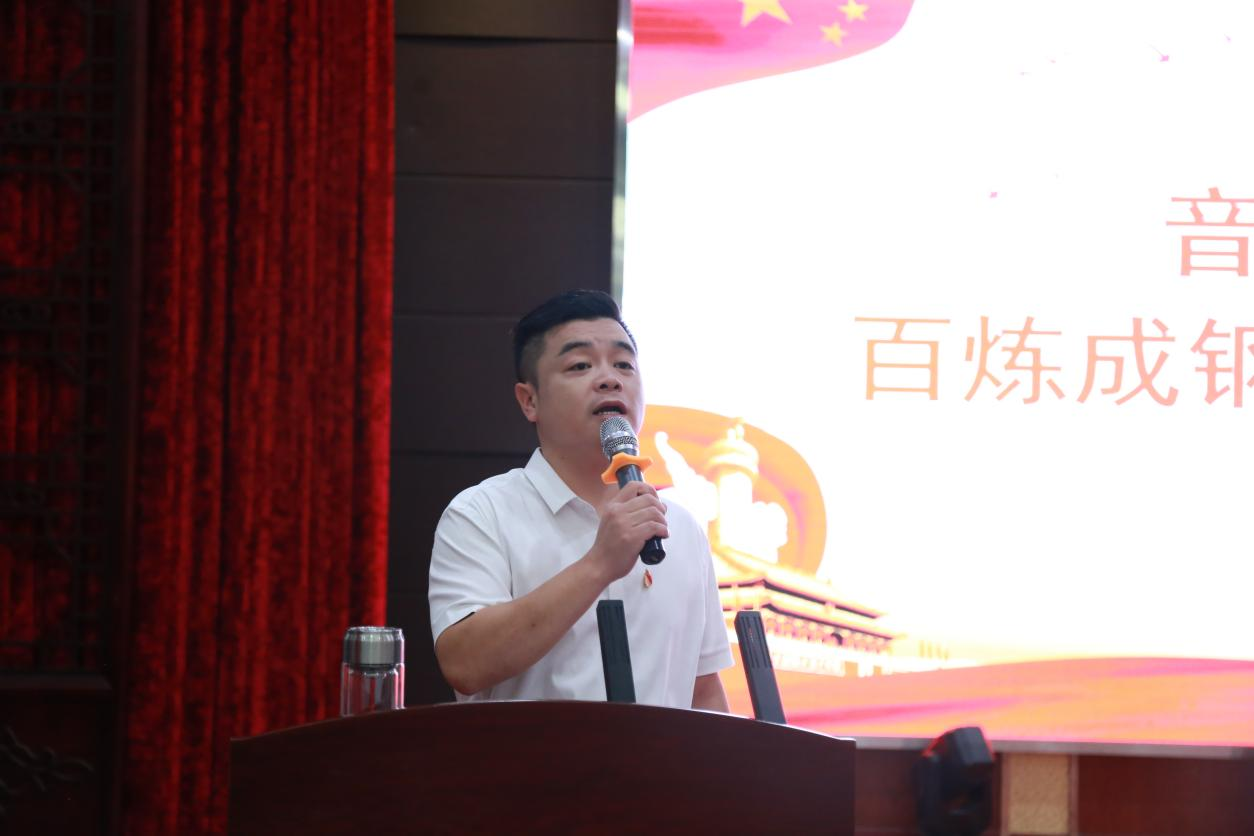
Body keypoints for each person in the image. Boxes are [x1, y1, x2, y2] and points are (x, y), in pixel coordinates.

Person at [428, 289, 732, 710]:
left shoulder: (679, 527)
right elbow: (464, 663)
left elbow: (703, 691)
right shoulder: (481, 513)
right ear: (529, 400)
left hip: (661, 758)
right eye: (580, 365)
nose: (610, 379)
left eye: (624, 364)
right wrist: (599, 563)